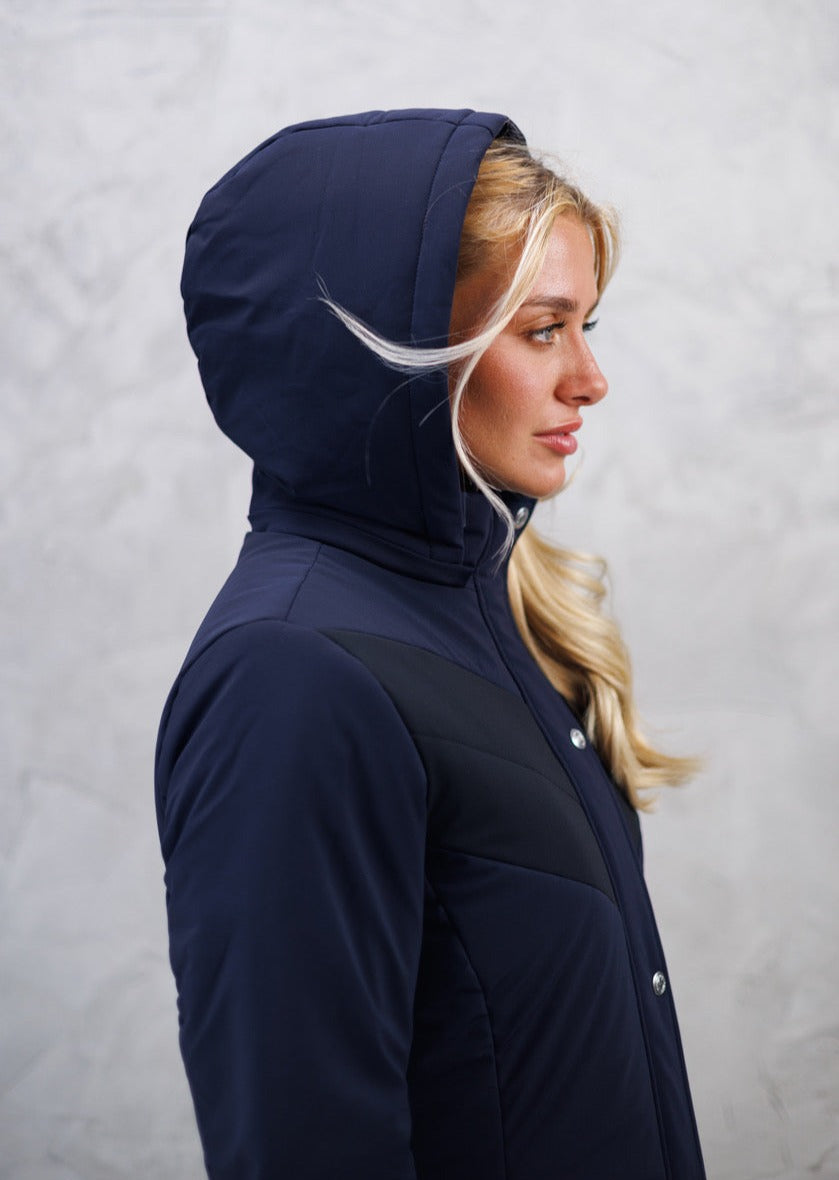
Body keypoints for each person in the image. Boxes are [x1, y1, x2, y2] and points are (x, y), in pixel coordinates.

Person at [155, 108, 705, 1179]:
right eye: (541, 330)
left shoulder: (487, 611)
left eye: (586, 325)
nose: (589, 379)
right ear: (387, 350)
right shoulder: (292, 677)